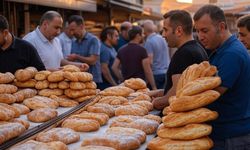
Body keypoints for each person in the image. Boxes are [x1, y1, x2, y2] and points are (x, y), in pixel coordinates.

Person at [194, 4, 250, 149]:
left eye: (204, 31)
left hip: (230, 137)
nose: (200, 36)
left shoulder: (232, 54)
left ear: (222, 27)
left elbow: (209, 95)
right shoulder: (223, 49)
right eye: (198, 31)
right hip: (226, 133)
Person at [152, 10, 208, 110]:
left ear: (178, 31)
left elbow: (177, 93)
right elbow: (186, 87)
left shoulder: (183, 54)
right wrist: (161, 92)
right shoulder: (198, 48)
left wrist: (154, 103)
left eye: (166, 30)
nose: (163, 35)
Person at [23, 11, 88, 71]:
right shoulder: (29, 41)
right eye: (56, 28)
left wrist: (77, 65)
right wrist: (54, 71)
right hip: (38, 83)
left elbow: (60, 61)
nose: (58, 32)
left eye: (60, 28)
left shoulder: (56, 40)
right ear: (45, 24)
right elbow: (25, 70)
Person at [112, 26, 157, 90]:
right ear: (138, 35)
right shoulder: (142, 50)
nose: (143, 36)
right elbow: (147, 70)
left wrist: (122, 79)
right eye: (142, 34)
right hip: (139, 85)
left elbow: (114, 67)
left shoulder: (121, 49)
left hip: (126, 86)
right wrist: (154, 86)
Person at [67, 15, 102, 84]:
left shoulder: (93, 40)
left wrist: (76, 56)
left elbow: (93, 61)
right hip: (79, 79)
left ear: (81, 26)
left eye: (73, 30)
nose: (71, 33)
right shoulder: (74, 41)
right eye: (70, 30)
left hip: (93, 80)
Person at [143, 20, 170, 89]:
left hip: (156, 75)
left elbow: (150, 62)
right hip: (166, 72)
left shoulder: (149, 42)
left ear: (144, 31)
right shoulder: (162, 38)